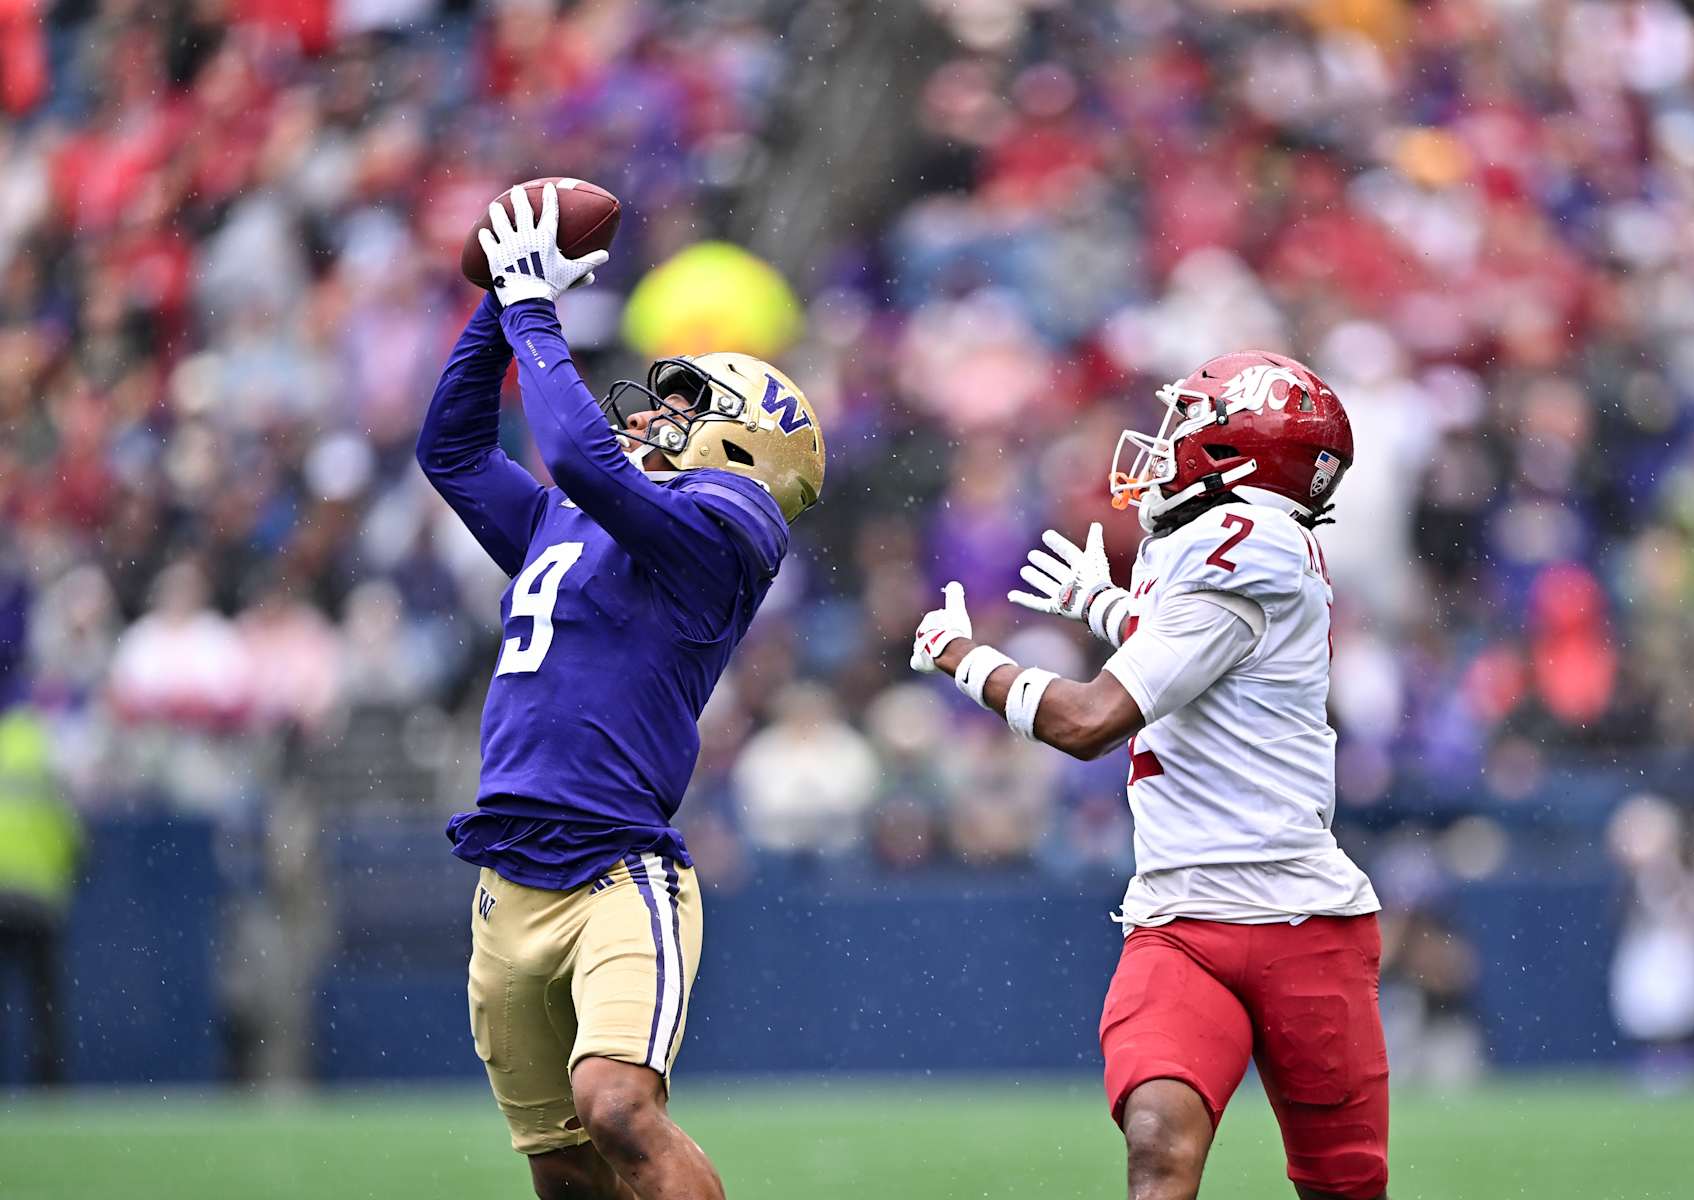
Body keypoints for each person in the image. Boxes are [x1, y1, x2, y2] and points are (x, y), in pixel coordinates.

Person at [416, 185, 825, 1200]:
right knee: (565, 1174)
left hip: (615, 866)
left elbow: (581, 461)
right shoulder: (580, 518)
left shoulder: (725, 537)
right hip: (508, 872)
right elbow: (454, 452)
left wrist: (531, 307)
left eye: (691, 409)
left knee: (617, 1106)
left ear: (744, 447)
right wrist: (499, 304)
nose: (658, 413)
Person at [911, 352, 1387, 1200]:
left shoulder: (1247, 546)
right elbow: (1198, 647)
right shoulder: (1229, 548)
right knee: (1157, 1147)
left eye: (1190, 426)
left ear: (1242, 452)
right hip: (1180, 922)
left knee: (1342, 1185)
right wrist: (1104, 604)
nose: (1165, 446)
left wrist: (965, 660)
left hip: (1300, 922)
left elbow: (1088, 722)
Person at [0, 706, 84, 1085]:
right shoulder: (48, 759)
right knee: (44, 1000)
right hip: (38, 899)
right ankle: (48, 1084)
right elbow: (71, 832)